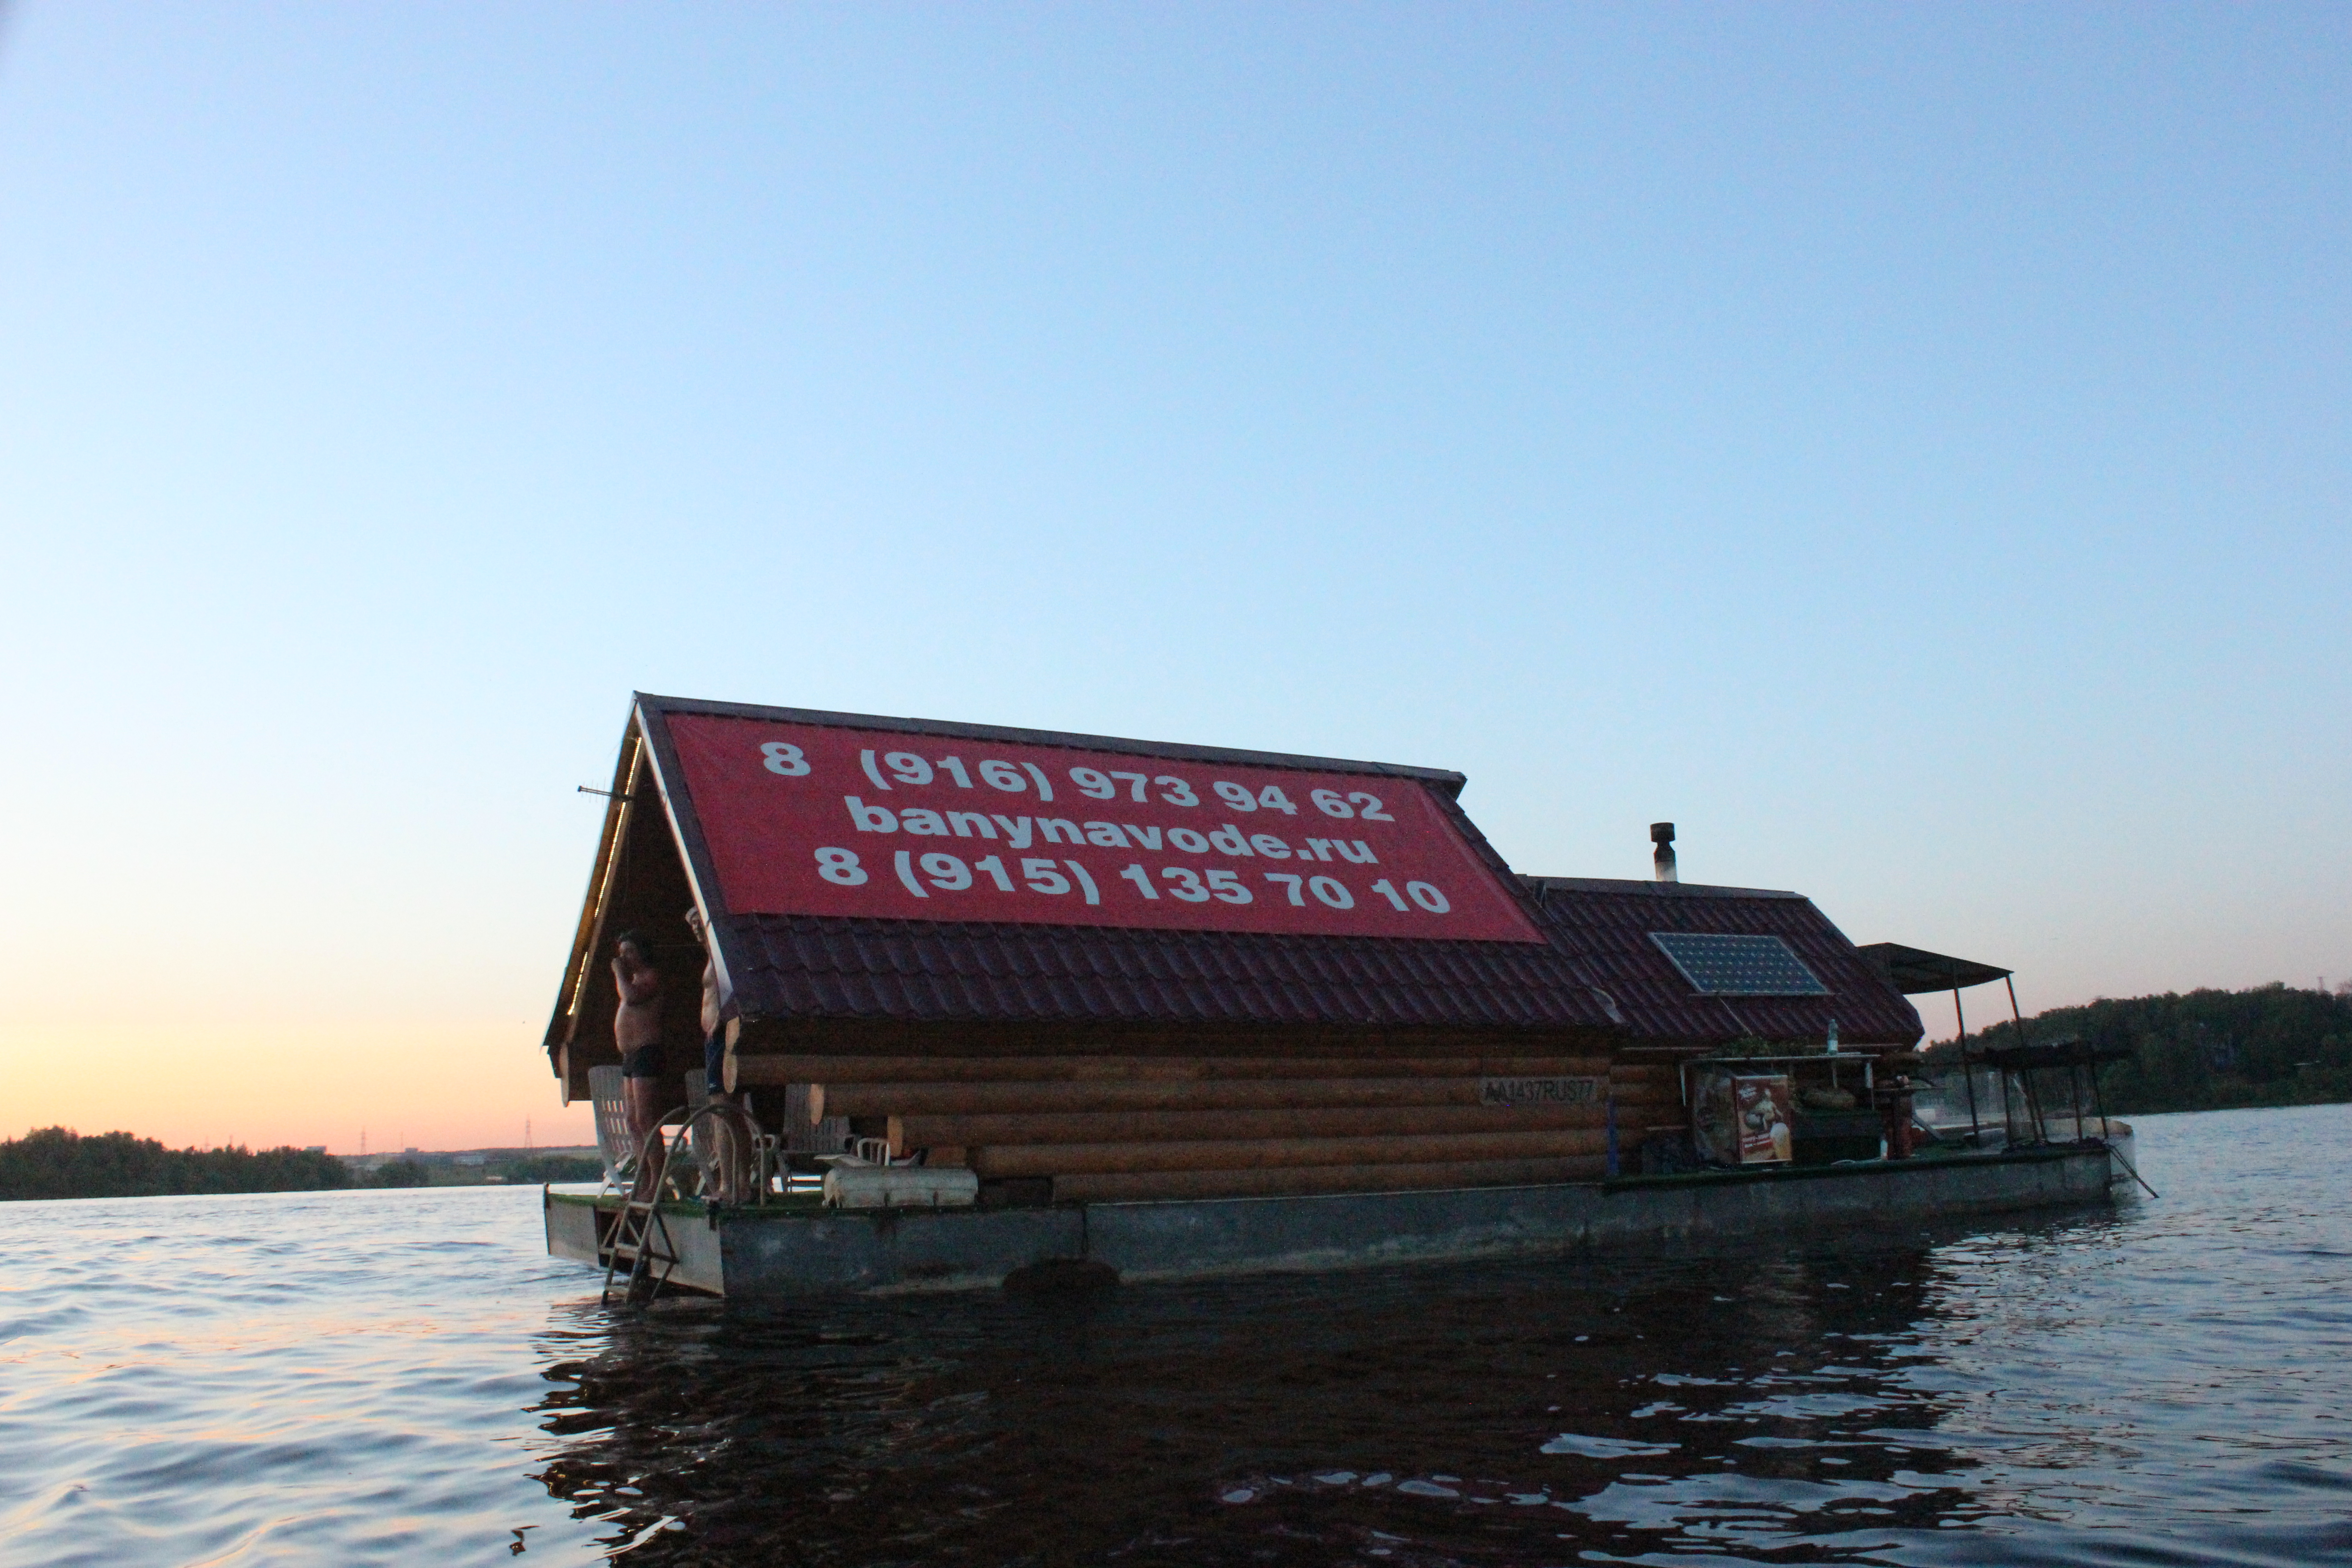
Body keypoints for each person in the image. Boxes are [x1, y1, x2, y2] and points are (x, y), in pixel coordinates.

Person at [684, 904, 748, 1202]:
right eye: (691, 924)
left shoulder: (723, 955)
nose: (695, 928)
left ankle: (732, 1186)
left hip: (723, 1037)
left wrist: (722, 1018)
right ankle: (737, 1185)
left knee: (724, 1111)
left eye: (698, 921)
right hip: (714, 1038)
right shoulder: (712, 958)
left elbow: (737, 987)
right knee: (725, 1113)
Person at [610, 929, 669, 1198]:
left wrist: (619, 973)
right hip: (630, 1056)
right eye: (621, 953)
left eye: (630, 951)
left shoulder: (650, 977)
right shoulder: (631, 979)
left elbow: (632, 997)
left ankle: (658, 1183)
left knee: (647, 1120)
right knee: (632, 1121)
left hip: (648, 1053)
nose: (625, 958)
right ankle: (643, 1180)